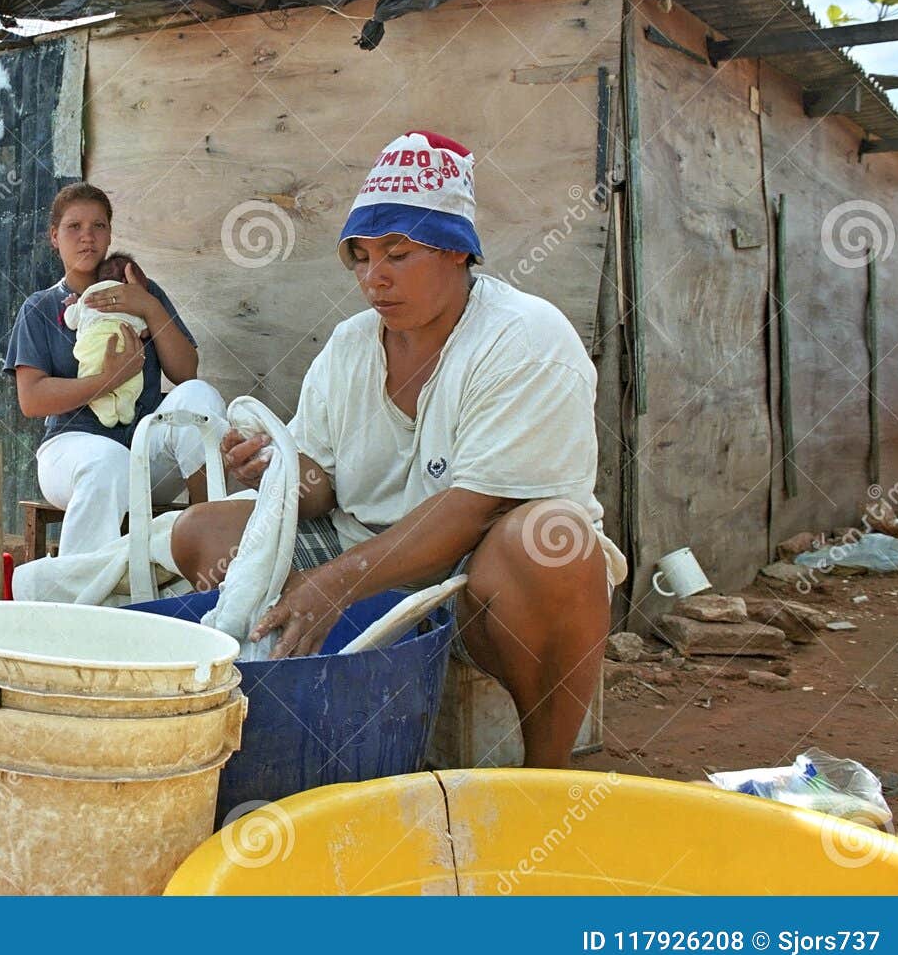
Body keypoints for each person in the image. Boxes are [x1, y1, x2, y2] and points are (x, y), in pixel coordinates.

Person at [171, 131, 627, 768]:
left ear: (455, 252)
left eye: (397, 253)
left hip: (477, 575)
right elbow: (322, 481)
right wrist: (276, 468)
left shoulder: (526, 340)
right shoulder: (352, 346)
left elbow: (468, 511)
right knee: (202, 533)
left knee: (552, 543)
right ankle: (316, 719)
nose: (374, 277)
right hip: (367, 547)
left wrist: (331, 586)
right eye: (359, 257)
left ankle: (546, 772)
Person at [5, 183, 226, 556]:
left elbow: (186, 372)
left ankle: (214, 541)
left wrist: (149, 307)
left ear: (109, 233)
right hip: (71, 450)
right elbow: (32, 399)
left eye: (99, 226)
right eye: (74, 227)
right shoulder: (40, 308)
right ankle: (80, 597)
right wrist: (107, 380)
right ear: (54, 237)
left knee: (201, 397)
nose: (87, 237)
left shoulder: (142, 289)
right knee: (107, 462)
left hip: (144, 451)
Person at [63, 252, 151, 427]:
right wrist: (146, 305)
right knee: (132, 380)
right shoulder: (134, 300)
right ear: (128, 279)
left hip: (91, 348)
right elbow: (144, 333)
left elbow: (71, 322)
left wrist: (72, 305)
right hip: (124, 345)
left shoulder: (88, 295)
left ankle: (105, 411)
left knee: (89, 376)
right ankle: (126, 405)